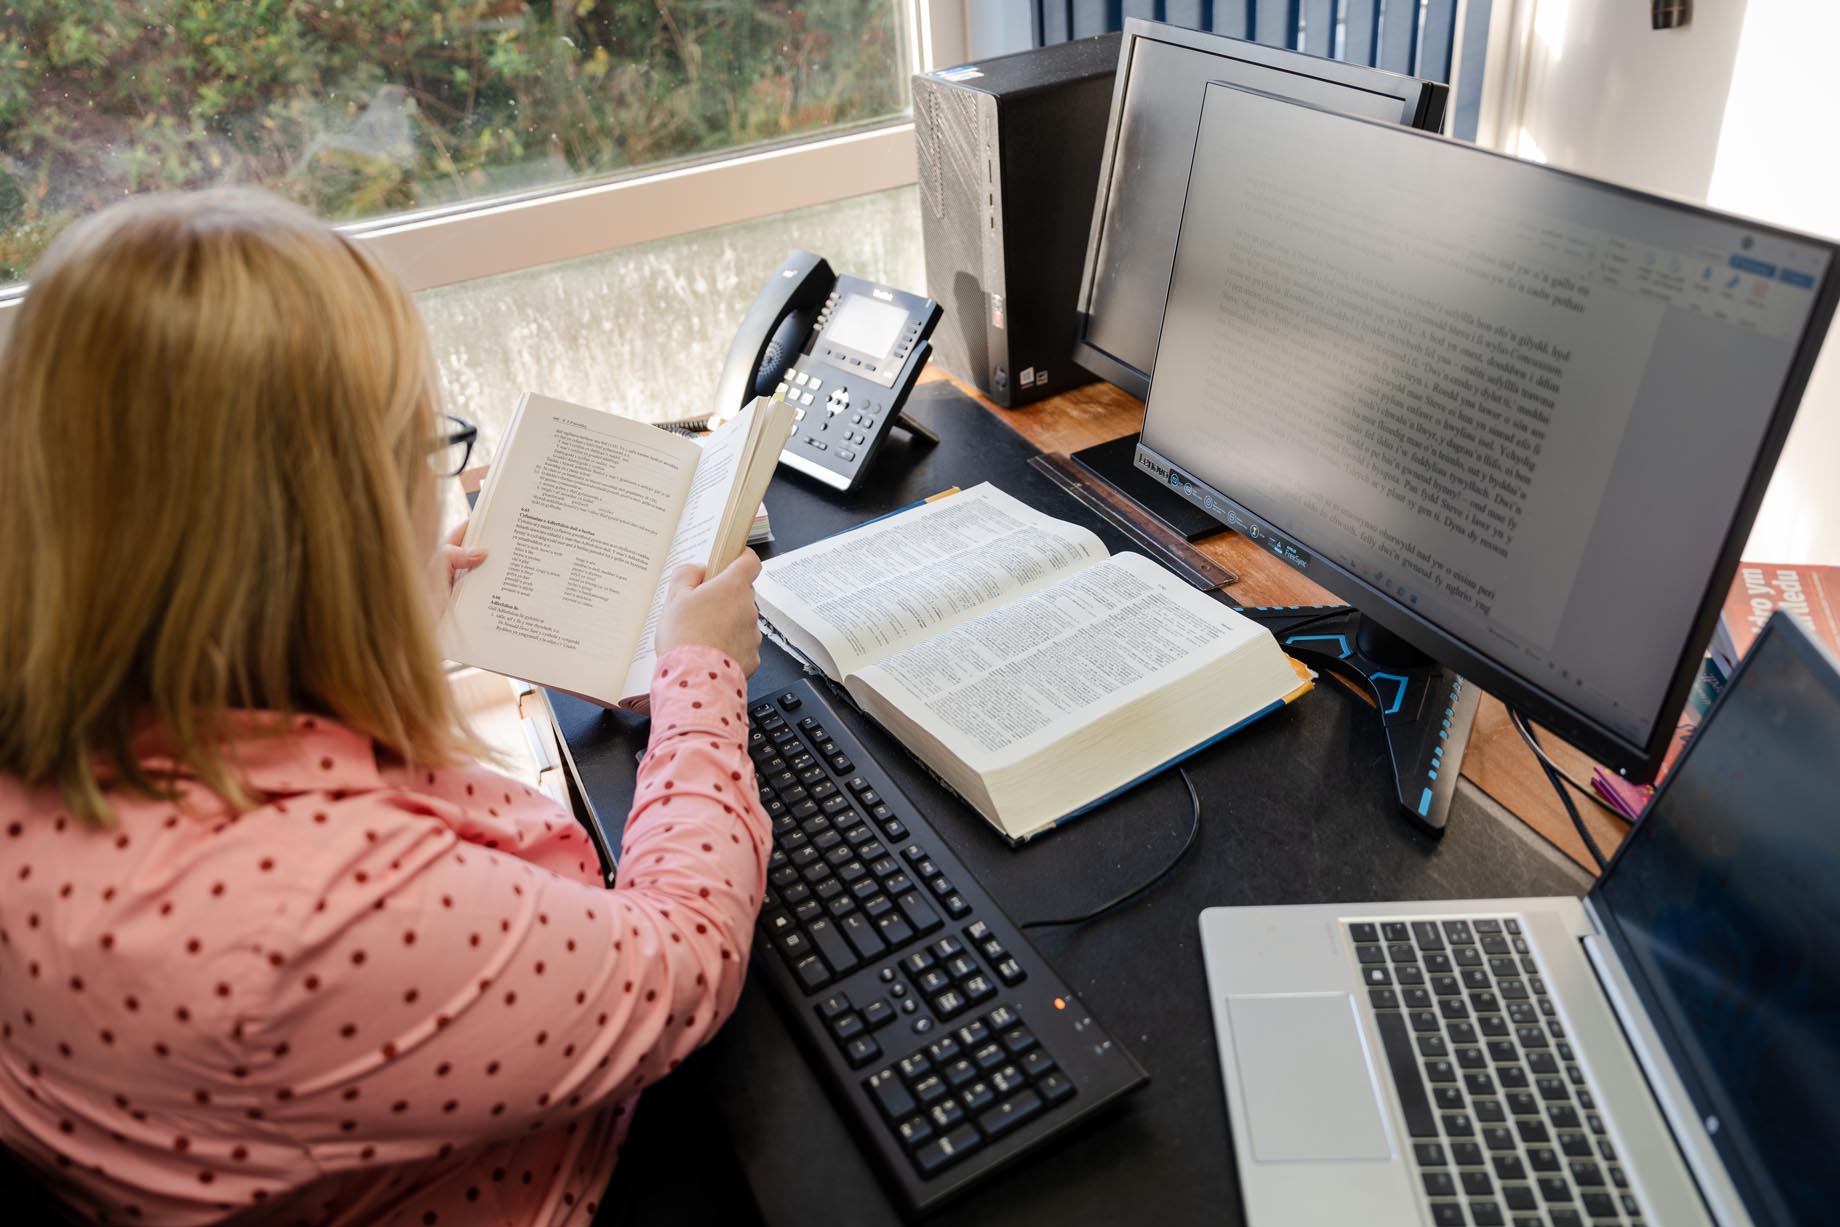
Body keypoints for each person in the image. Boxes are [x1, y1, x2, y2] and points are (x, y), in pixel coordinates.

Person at [0, 190, 769, 1225]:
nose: (434, 487)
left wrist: (364, 611)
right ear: (317, 525)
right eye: (420, 451)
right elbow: (680, 965)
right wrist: (703, 680)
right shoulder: (316, 918)